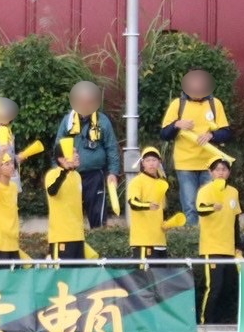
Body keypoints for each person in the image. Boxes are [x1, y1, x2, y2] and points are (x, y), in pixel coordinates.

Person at [159, 69, 231, 227]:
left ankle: (209, 234)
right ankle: (192, 237)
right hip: (185, 163)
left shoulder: (215, 104)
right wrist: (176, 124)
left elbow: (226, 133)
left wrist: (212, 135)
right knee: (190, 205)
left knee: (210, 203)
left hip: (210, 164)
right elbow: (164, 134)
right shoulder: (178, 104)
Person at [54, 81, 121, 229]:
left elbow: (111, 148)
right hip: (71, 175)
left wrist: (113, 173)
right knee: (70, 215)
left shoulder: (103, 121)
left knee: (97, 215)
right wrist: (56, 171)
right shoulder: (68, 121)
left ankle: (98, 243)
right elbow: (57, 147)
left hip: (95, 175)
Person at [196, 158, 242, 324]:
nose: (221, 172)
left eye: (224, 169)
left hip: (229, 249)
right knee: (214, 288)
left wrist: (238, 246)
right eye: (217, 169)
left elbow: (236, 219)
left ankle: (224, 321)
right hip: (211, 248)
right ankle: (206, 322)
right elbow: (200, 209)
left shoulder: (234, 192)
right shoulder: (205, 190)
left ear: (229, 173)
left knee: (228, 287)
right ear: (211, 173)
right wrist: (211, 208)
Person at [126, 146, 171, 261]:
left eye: (154, 160)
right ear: (143, 163)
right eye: (148, 160)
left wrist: (167, 223)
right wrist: (147, 205)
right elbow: (133, 202)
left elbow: (163, 208)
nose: (151, 163)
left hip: (160, 240)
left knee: (161, 277)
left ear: (159, 162)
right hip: (143, 241)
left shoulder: (162, 182)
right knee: (145, 278)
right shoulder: (137, 181)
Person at [45, 139, 85, 262]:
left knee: (78, 278)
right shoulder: (53, 174)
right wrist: (65, 172)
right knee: (62, 279)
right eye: (73, 153)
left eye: (76, 152)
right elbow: (52, 191)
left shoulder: (77, 176)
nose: (77, 155)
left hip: (78, 236)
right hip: (61, 237)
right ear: (62, 159)